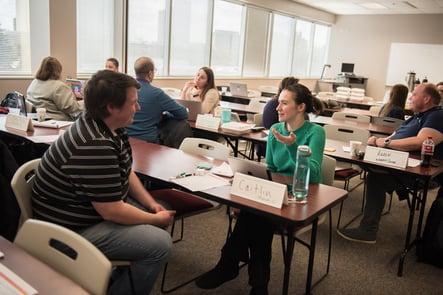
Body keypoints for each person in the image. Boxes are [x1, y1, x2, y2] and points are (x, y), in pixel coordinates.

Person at [31, 70, 176, 294]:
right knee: (160, 244)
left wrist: (150, 204)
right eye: (133, 103)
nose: (137, 108)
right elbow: (112, 211)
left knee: (156, 210)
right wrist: (155, 220)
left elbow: (125, 171)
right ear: (111, 107)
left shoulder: (100, 125)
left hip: (78, 213)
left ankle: (110, 280)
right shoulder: (94, 144)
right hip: (67, 231)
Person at [195, 83, 325, 295]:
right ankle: (257, 283)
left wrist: (293, 147)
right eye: (278, 102)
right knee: (258, 214)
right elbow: (272, 169)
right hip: (277, 192)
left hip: (303, 196)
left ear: (301, 107)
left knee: (255, 214)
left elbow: (314, 174)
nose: (277, 107)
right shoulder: (274, 131)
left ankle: (230, 264)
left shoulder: (315, 132)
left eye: (284, 103)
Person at [337, 83, 443, 244]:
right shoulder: (416, 117)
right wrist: (377, 141)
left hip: (415, 170)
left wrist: (384, 144)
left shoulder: (436, 115)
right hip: (392, 160)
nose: (410, 98)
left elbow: (422, 142)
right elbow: (394, 136)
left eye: (414, 94)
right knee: (365, 167)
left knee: (375, 179)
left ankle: (368, 230)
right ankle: (369, 226)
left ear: (427, 98)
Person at [126, 57, 189, 145]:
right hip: (148, 144)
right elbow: (183, 113)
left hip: (126, 141)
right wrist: (167, 114)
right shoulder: (157, 94)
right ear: (150, 73)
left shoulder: (125, 90)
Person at [26, 56, 84, 121]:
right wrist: (87, 102)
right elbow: (70, 107)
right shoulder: (59, 86)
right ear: (58, 70)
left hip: (39, 119)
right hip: (58, 121)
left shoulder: (34, 82)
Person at [256, 77, 300, 159]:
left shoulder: (273, 102)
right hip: (274, 144)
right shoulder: (274, 104)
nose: (278, 108)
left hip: (272, 143)